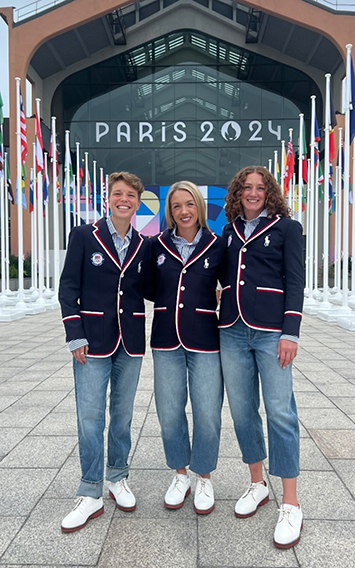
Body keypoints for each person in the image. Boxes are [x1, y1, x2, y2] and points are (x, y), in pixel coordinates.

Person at [59, 171, 151, 533]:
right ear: (108, 198)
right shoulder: (84, 235)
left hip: (129, 342)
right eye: (118, 193)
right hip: (91, 342)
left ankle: (117, 477)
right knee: (90, 417)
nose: (123, 199)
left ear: (138, 202)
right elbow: (68, 288)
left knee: (123, 415)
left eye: (130, 194)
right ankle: (89, 491)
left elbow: (157, 288)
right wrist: (74, 335)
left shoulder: (145, 244)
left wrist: (208, 291)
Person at [219, 166, 304, 549]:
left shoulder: (288, 229)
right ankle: (257, 484)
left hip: (271, 332)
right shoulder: (230, 230)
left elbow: (295, 280)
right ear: (238, 193)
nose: (253, 193)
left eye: (260, 188)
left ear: (270, 193)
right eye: (247, 188)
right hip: (233, 331)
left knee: (280, 410)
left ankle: (291, 502)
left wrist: (290, 332)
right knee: (241, 410)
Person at [149, 181, 226, 514]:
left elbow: (232, 283)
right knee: (169, 413)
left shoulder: (217, 245)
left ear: (199, 207)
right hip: (166, 338)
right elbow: (148, 286)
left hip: (206, 340)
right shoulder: (155, 245)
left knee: (208, 415)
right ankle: (180, 474)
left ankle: (204, 476)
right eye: (177, 205)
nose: (184, 211)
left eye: (189, 204)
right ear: (170, 210)